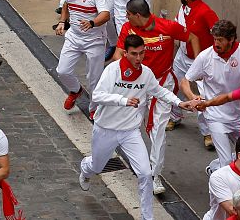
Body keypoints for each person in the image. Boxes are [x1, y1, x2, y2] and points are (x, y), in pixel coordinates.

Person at [79, 34, 196, 220]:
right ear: (125, 53)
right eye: (134, 54)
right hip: (105, 129)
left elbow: (160, 91)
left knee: (145, 173)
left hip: (130, 132)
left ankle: (147, 217)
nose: (139, 58)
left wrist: (179, 103)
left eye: (142, 53)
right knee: (97, 166)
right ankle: (86, 168)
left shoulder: (146, 73)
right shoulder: (112, 70)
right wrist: (123, 101)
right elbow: (97, 96)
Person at [113, 0, 200, 195]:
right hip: (137, 85)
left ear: (137, 15)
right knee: (130, 125)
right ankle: (133, 159)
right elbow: (118, 54)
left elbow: (193, 37)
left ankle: (155, 175)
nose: (125, 17)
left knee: (159, 131)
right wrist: (128, 70)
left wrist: (196, 67)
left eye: (128, 14)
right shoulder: (129, 28)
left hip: (162, 84)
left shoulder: (168, 27)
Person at [181, 20, 240, 174]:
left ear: (231, 39)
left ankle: (214, 168)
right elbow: (185, 80)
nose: (216, 43)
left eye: (220, 40)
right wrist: (192, 97)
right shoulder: (205, 56)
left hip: (239, 115)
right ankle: (221, 179)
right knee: (226, 162)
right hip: (215, 116)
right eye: (214, 39)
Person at [54, 0, 110, 113]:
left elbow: (105, 14)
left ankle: (95, 108)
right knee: (62, 71)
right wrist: (62, 22)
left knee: (94, 79)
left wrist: (92, 23)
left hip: (95, 40)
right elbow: (66, 4)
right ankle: (75, 90)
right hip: (74, 37)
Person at [168, 0, 219, 145]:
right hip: (181, 56)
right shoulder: (184, 8)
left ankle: (208, 133)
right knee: (176, 86)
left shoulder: (206, 12)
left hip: (199, 62)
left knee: (202, 96)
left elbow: (218, 34)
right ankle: (175, 116)